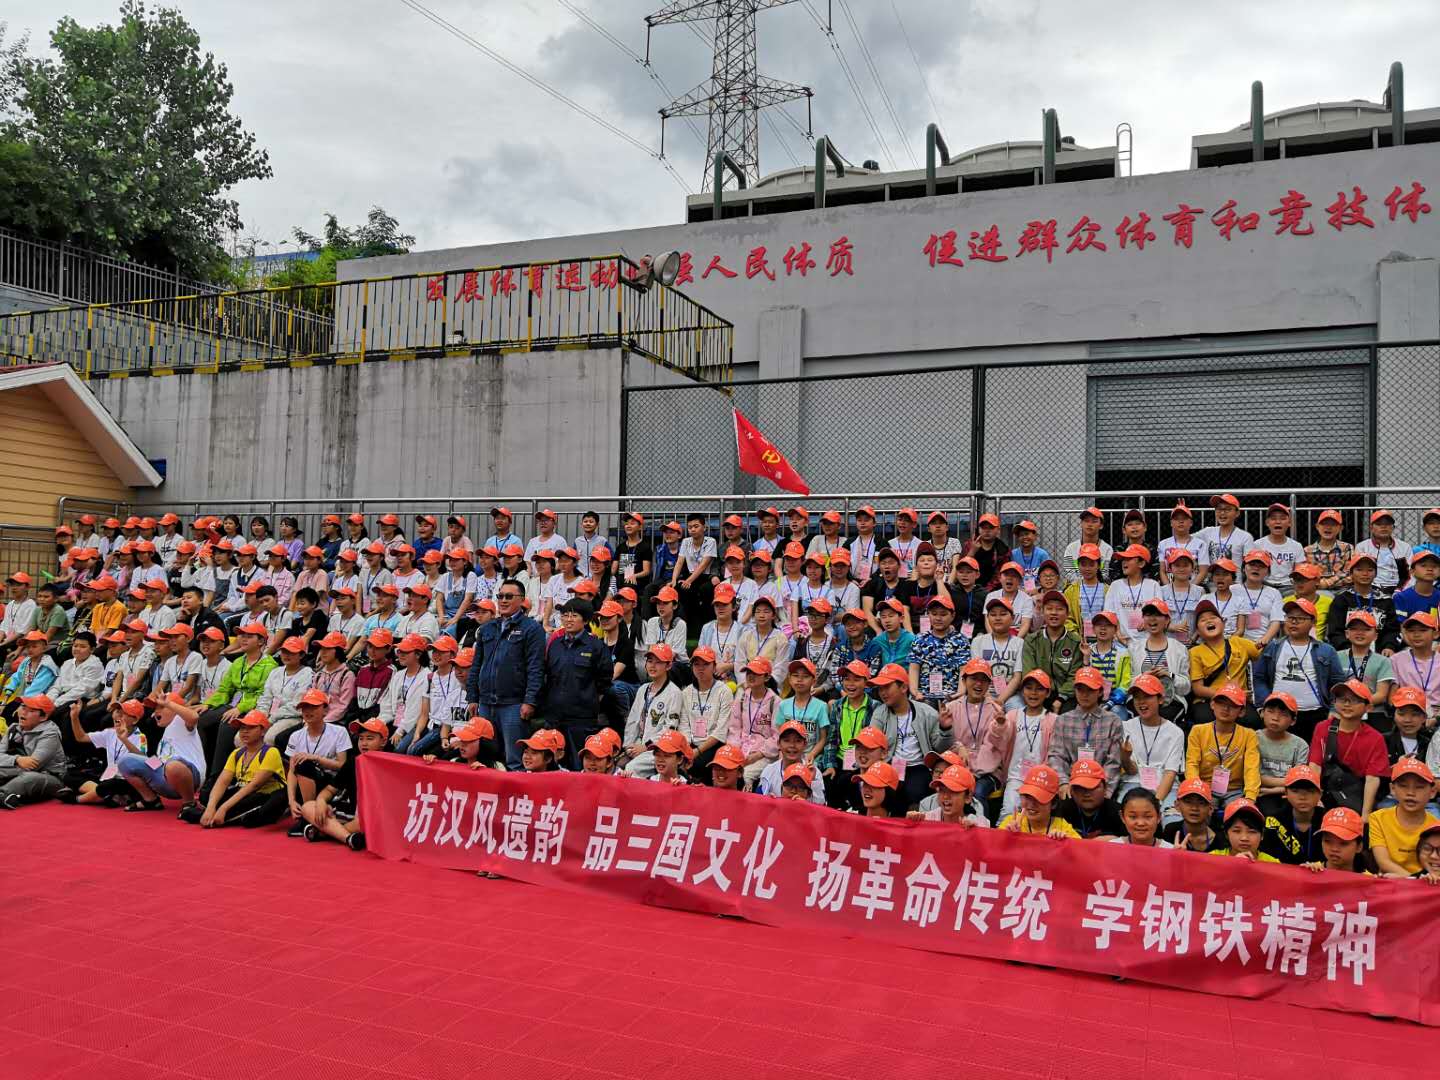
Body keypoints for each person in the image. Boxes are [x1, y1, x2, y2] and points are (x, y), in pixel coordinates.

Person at [466, 579, 545, 771]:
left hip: (514, 704)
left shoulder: (532, 629)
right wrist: (472, 697)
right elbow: (476, 665)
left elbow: (536, 668)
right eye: (500, 596)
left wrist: (530, 701)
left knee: (514, 761)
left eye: (509, 596)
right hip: (485, 703)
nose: (503, 600)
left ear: (522, 599)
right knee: (486, 758)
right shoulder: (486, 628)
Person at [1252, 598, 1344, 743]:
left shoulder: (1326, 651)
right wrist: (1264, 705)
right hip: (1279, 714)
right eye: (1290, 618)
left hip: (1314, 714)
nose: (1294, 622)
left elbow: (1337, 683)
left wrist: (1333, 709)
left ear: (1313, 622)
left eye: (1300, 618)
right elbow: (1259, 677)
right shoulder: (1273, 647)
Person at [184, 710, 286, 829]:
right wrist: (211, 807)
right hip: (242, 791)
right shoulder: (237, 753)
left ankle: (212, 816)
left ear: (263, 731)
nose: (245, 731)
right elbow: (222, 781)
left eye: (251, 727)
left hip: (265, 794)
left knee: (252, 817)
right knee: (208, 795)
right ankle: (211, 814)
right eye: (242, 728)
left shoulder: (271, 752)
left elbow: (254, 785)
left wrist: (223, 808)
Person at [869, 661, 952, 808]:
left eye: (887, 687)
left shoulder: (927, 713)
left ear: (903, 687)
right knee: (886, 793)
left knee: (916, 792)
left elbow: (940, 748)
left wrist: (945, 729)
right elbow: (872, 745)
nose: (882, 692)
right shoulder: (879, 714)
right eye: (880, 688)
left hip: (918, 766)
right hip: (889, 765)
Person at [542, 600, 613, 768]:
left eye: (574, 615)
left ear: (586, 620)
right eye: (565, 615)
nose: (568, 619)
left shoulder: (596, 646)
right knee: (552, 767)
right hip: (554, 717)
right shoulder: (554, 644)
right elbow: (547, 675)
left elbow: (604, 679)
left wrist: (589, 699)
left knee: (579, 766)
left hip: (581, 719)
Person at [1306, 678, 1389, 818]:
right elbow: (1315, 765)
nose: (1347, 704)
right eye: (1342, 699)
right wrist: (1315, 798)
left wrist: (1365, 815)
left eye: (1354, 700)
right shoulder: (1323, 727)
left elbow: (1372, 779)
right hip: (1326, 794)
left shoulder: (1375, 738)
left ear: (1368, 707)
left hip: (1356, 798)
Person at [279, 688, 351, 835]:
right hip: (304, 782)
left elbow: (342, 766)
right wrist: (291, 800)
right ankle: (305, 812)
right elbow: (292, 771)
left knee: (304, 764)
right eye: (305, 707)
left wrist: (317, 758)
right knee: (270, 807)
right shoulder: (295, 736)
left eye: (313, 707)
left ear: (325, 710)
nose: (308, 711)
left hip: (331, 784)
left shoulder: (339, 731)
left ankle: (307, 817)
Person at [1047, 667, 1123, 800]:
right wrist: (1063, 783)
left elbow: (1114, 762)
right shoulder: (1063, 720)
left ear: (1100, 692)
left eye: (1090, 690)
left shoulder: (1113, 721)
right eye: (1080, 689)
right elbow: (1056, 756)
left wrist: (1104, 790)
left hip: (1100, 787)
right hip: (1071, 786)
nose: (1084, 694)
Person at [1184, 682, 1260, 809]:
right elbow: (1192, 764)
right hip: (1204, 787)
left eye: (1233, 705)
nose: (1226, 708)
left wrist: (1250, 798)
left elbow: (1251, 768)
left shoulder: (1249, 735)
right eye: (1221, 703)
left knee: (1239, 811)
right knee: (1200, 809)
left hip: (1235, 790)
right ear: (1212, 704)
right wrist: (1196, 790)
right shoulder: (1198, 731)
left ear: (1242, 711)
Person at [1188, 600, 1261, 727]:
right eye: (1203, 620)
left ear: (1223, 623)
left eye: (1213, 617)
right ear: (1198, 631)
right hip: (1210, 700)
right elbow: (1198, 689)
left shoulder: (1239, 643)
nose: (1209, 621)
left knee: (1253, 720)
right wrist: (1226, 695)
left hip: (1238, 700)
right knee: (1204, 718)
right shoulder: (1195, 652)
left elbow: (1263, 656)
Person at [1117, 672, 1183, 814]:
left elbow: (1170, 773)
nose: (1141, 702)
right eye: (1137, 697)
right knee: (1125, 818)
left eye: (1147, 696)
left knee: (1172, 820)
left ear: (1160, 699)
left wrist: (1155, 804)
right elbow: (1131, 771)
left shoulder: (1175, 732)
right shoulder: (1125, 727)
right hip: (1133, 784)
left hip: (1166, 788)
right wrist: (1125, 757)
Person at [621, 643, 685, 778]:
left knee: (631, 769)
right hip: (637, 744)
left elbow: (669, 729)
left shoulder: (674, 693)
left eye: (658, 662)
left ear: (668, 665)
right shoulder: (643, 689)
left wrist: (645, 747)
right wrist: (628, 746)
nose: (652, 666)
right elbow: (632, 721)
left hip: (659, 749)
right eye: (650, 661)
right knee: (615, 764)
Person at [1368, 756, 1440, 876]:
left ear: (1432, 792)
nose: (1410, 793)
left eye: (1419, 787)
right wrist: (1412, 880)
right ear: (1392, 789)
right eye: (1403, 785)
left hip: (1425, 883)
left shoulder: (1436, 827)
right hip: (1391, 881)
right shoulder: (1378, 818)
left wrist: (1412, 881)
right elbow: (1383, 862)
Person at [944, 658, 1003, 801]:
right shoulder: (951, 708)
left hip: (987, 772)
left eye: (984, 680)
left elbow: (994, 746)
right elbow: (945, 742)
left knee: (977, 792)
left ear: (989, 684)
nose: (978, 683)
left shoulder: (996, 711)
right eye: (974, 678)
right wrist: (958, 747)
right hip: (956, 768)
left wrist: (973, 771)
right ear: (964, 680)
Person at [1022, 589, 1086, 710]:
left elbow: (1074, 675)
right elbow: (1029, 672)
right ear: (1042, 611)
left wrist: (1060, 698)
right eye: (1049, 608)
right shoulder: (1031, 640)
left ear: (1067, 614)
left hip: (1067, 696)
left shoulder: (1075, 641)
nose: (1054, 613)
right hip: (1038, 693)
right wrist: (1040, 694)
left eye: (1059, 609)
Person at [0, 694, 66, 809]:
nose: (23, 712)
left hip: (48, 777)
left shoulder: (50, 733)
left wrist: (5, 766)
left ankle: (3, 794)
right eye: (23, 707)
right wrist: (17, 759)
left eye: (31, 711)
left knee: (29, 777)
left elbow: (32, 766)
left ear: (43, 717)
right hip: (16, 769)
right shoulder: (13, 728)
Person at [1326, 554, 1401, 655]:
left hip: (1380, 654)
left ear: (1375, 574)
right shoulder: (1341, 600)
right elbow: (1335, 631)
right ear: (1351, 573)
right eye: (1359, 570)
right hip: (1347, 653)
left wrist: (1389, 647)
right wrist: (1348, 650)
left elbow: (1392, 630)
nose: (1365, 574)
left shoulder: (1386, 600)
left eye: (1370, 570)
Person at [909, 594, 971, 712]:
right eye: (934, 614)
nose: (938, 618)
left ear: (952, 616)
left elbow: (963, 669)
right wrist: (914, 691)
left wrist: (960, 692)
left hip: (951, 695)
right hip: (925, 695)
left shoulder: (961, 640)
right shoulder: (920, 639)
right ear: (928, 614)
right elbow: (914, 668)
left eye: (943, 614)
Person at [1254, 692, 1312, 817]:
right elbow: (1253, 776)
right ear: (1262, 713)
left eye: (1283, 714)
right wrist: (1287, 783)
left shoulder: (1300, 745)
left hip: (1290, 793)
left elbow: (1299, 780)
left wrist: (1275, 790)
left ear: (1293, 720)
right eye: (1270, 711)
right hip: (1259, 792)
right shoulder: (1253, 738)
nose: (1275, 718)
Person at [727, 656, 780, 789]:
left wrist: (758, 754)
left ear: (767, 677)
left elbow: (777, 736)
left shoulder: (775, 702)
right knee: (726, 769)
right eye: (748, 672)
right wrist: (736, 752)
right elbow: (734, 729)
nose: (750, 676)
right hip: (741, 751)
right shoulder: (741, 698)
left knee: (745, 775)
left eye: (756, 673)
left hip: (765, 754)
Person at [1335, 611, 1394, 729]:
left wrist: (1356, 705)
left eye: (1366, 629)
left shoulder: (1383, 661)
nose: (1360, 633)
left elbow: (1381, 695)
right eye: (1354, 629)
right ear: (1347, 634)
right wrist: (1348, 706)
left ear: (1375, 636)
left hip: (1373, 713)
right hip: (1342, 713)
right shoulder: (1336, 657)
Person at [1260, 764, 1325, 866]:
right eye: (1295, 791)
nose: (1302, 797)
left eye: (1310, 791)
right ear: (1286, 793)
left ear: (1320, 794)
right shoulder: (1273, 821)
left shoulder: (1329, 823)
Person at [996, 764, 1079, 837]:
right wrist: (1008, 836)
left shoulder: (1063, 828)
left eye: (1039, 798)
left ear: (1054, 803)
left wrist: (1064, 842)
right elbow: (995, 846)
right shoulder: (1010, 822)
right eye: (1027, 796)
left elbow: (1081, 848)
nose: (1031, 804)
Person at [1102, 543, 1161, 643]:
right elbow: (1109, 614)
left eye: (1129, 559)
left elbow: (1159, 614)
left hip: (1148, 642)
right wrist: (1117, 633)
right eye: (1123, 559)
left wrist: (1150, 621)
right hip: (1121, 643)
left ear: (1141, 563)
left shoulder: (1153, 585)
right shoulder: (1115, 586)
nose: (1124, 562)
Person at [757, 721, 826, 802]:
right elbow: (758, 802)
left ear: (805, 744)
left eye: (798, 741)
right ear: (778, 744)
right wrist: (768, 802)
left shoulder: (814, 772)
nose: (792, 745)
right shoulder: (768, 771)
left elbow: (821, 807)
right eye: (786, 740)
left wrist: (812, 782)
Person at [1054, 758, 1123, 838]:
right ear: (1071, 790)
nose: (1086, 794)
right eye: (1080, 787)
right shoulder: (1060, 811)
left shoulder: (1119, 814)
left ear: (1105, 788)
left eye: (1093, 787)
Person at [1390, 611, 1440, 718]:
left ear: (1435, 634)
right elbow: (1392, 697)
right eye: (1411, 631)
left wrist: (1436, 719)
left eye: (1423, 630)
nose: (1416, 635)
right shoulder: (1396, 660)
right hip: (1408, 713)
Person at [1246, 503, 1307, 590]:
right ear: (1267, 522)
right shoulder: (1257, 545)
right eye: (1273, 518)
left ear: (1289, 523)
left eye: (1282, 518)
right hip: (1264, 585)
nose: (1278, 522)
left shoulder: (1296, 546)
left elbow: (1300, 572)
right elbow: (1251, 569)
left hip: (1289, 586)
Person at [1354, 509, 1411, 598]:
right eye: (1379, 524)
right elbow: (1358, 574)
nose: (1383, 527)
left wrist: (1399, 590)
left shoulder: (1405, 547)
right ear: (1371, 528)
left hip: (1398, 589)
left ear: (1393, 527)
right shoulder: (1362, 547)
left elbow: (1410, 574)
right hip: (1371, 589)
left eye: (1387, 524)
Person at [1197, 494, 1254, 577]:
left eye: (1227, 509)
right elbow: (1184, 539)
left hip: (1234, 583)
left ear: (1237, 513)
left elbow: (1249, 566)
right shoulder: (1207, 532)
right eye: (1219, 509)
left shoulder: (1245, 537)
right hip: (1211, 582)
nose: (1222, 512)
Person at [915, 762, 988, 826]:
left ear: (968, 797)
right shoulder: (927, 818)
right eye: (942, 790)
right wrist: (912, 822)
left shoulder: (979, 824)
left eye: (953, 791)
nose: (945, 796)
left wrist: (975, 831)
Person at [1208, 798, 1280, 862]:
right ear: (1226, 834)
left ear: (1262, 835)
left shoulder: (1273, 864)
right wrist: (1232, 864)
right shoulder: (1213, 858)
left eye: (1252, 832)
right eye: (1237, 831)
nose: (1244, 838)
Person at [1063, 544, 1109, 640]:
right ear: (1078, 565)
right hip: (1079, 640)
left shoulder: (1108, 590)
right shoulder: (1070, 591)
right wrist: (1076, 636)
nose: (1087, 568)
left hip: (1104, 639)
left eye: (1091, 564)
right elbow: (1067, 618)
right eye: (1083, 564)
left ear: (1099, 565)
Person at [1163, 778, 1222, 851]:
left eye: (1201, 803)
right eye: (1188, 802)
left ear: (1210, 809)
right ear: (1177, 805)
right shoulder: (1171, 831)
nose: (1194, 808)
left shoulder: (1220, 839)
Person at [1063, 507, 1113, 584]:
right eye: (1086, 521)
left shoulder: (1108, 549)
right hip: (1076, 588)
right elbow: (1069, 573)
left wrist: (1092, 585)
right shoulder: (1071, 548)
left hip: (1099, 588)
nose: (1089, 524)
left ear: (1101, 525)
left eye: (1094, 521)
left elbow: (1106, 574)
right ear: (1081, 524)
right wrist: (1084, 585)